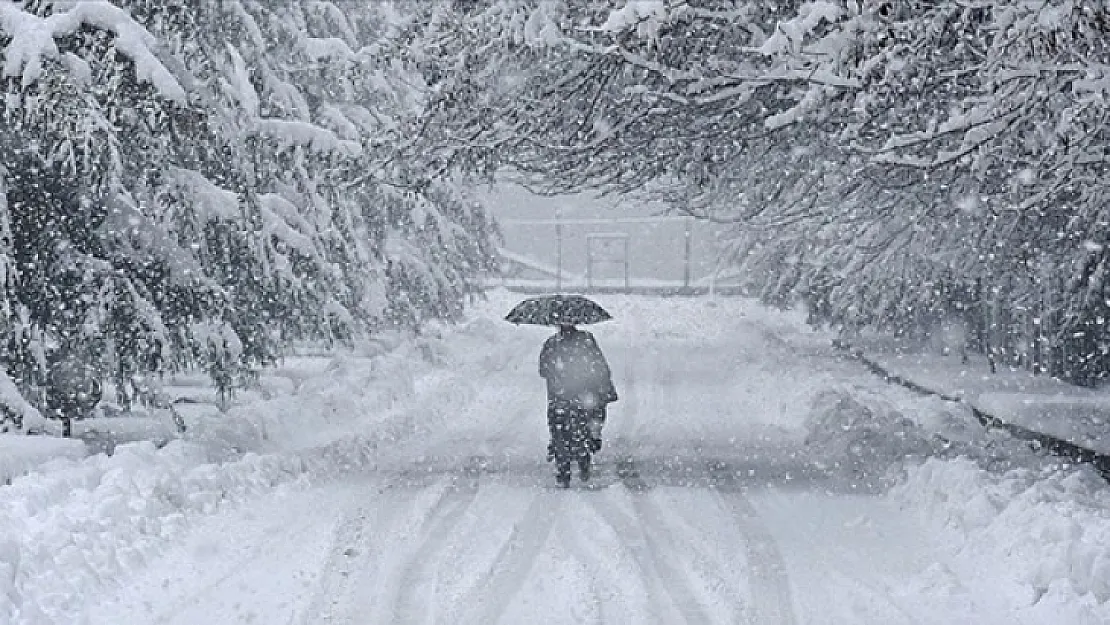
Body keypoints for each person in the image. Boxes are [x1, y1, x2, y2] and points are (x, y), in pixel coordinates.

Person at [539, 323, 617, 463]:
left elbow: (543, 370)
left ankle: (558, 445)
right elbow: (599, 363)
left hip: (561, 395)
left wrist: (557, 375)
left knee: (558, 420)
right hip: (580, 393)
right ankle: (592, 438)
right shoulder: (586, 339)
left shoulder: (551, 343)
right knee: (593, 413)